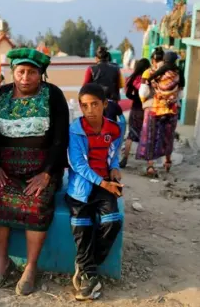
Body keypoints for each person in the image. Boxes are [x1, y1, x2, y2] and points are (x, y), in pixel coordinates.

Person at [0, 48, 69, 295]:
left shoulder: (53, 96)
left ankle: (30, 267)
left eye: (32, 72)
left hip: (41, 170)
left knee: (37, 202)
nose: (25, 77)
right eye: (21, 71)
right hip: (4, 170)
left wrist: (48, 173)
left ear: (41, 74)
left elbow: (60, 139)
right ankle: (2, 263)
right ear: (13, 73)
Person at [66, 83, 123, 301]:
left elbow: (113, 154)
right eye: (85, 105)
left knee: (112, 221)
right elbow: (78, 164)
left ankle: (86, 267)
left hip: (105, 184)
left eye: (95, 104)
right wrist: (103, 182)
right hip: (81, 187)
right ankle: (90, 274)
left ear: (104, 104)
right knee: (82, 226)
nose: (90, 110)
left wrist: (115, 170)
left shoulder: (114, 129)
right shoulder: (75, 129)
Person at [136, 48, 183, 177]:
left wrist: (144, 102)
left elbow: (143, 92)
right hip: (171, 109)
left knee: (150, 136)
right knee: (168, 136)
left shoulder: (149, 72)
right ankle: (167, 161)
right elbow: (180, 93)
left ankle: (150, 165)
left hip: (154, 109)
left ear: (153, 60)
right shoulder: (177, 73)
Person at [120, 58, 151, 168]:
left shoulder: (132, 78)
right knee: (148, 135)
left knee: (131, 135)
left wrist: (136, 98)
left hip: (135, 109)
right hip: (146, 109)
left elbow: (128, 94)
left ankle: (125, 158)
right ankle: (149, 164)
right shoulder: (148, 79)